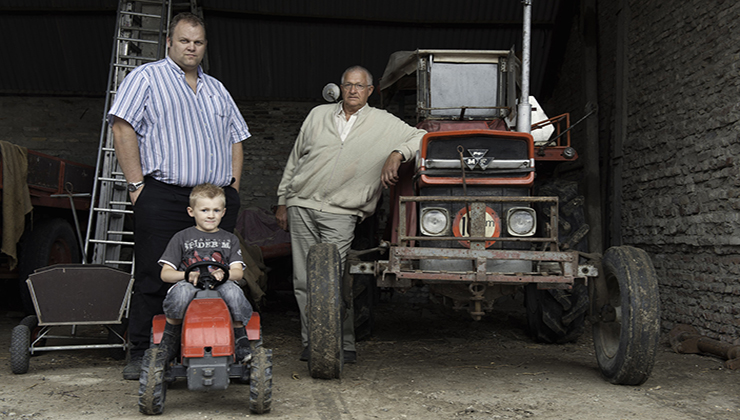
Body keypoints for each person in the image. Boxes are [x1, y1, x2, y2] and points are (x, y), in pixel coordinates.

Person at [107, 12, 251, 380]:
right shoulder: (146, 78)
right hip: (164, 195)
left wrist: (232, 188)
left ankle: (214, 345)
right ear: (169, 42)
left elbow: (236, 137)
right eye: (184, 40)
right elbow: (122, 126)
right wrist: (137, 185)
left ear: (205, 47)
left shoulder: (217, 88)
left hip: (215, 200)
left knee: (217, 273)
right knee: (157, 274)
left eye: (198, 42)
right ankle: (142, 350)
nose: (191, 47)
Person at [275, 65, 426, 364]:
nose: (353, 90)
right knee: (304, 280)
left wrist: (396, 154)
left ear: (370, 91)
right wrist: (283, 200)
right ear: (340, 88)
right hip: (302, 203)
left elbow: (421, 137)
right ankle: (313, 342)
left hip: (341, 213)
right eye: (348, 85)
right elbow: (295, 159)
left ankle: (342, 343)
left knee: (333, 279)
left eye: (359, 86)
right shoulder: (318, 114)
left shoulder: (383, 122)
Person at [157, 183, 253, 363]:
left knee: (233, 291)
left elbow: (238, 272)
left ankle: (240, 338)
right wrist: (186, 275)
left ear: (223, 212)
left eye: (216, 210)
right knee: (181, 292)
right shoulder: (181, 237)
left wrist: (224, 274)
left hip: (221, 284)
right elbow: (166, 274)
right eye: (204, 210)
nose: (211, 215)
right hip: (189, 283)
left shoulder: (230, 239)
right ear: (191, 211)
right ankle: (170, 339)